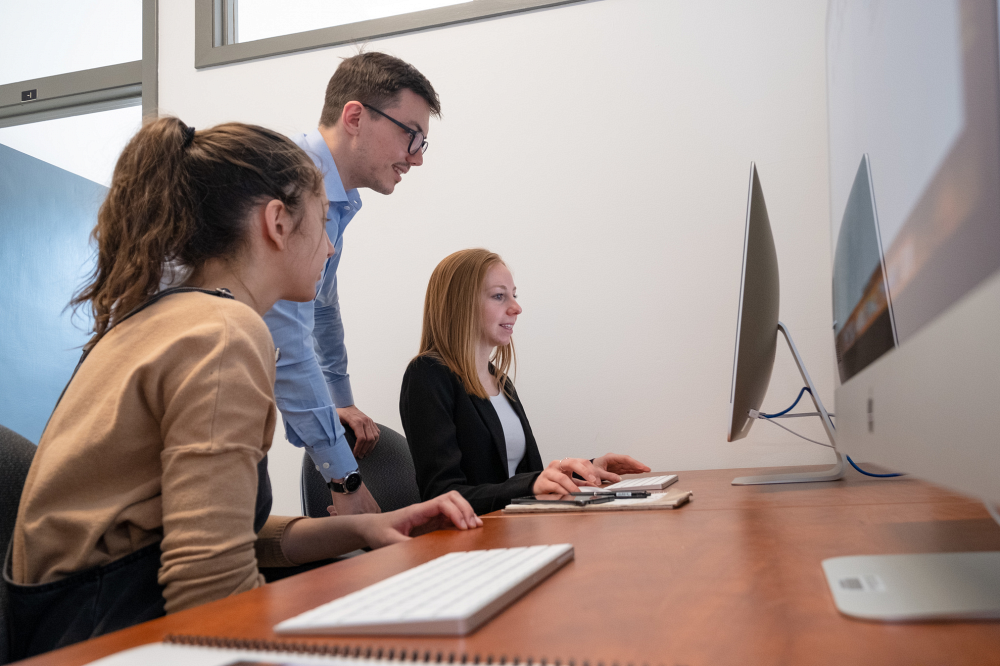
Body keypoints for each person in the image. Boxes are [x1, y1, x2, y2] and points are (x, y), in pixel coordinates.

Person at [4, 118, 481, 661]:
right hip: (110, 641)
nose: (329, 249)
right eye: (324, 223)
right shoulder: (225, 334)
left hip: (76, 630)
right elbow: (210, 589)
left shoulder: (164, 318)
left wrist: (364, 529)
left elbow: (208, 537)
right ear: (277, 222)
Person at [264, 52, 440, 516]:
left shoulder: (337, 199)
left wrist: (341, 408)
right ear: (356, 117)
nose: (417, 157)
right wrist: (345, 479)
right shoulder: (290, 182)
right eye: (411, 135)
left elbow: (321, 308)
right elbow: (290, 345)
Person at [399, 249, 651, 515]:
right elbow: (442, 495)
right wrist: (532, 485)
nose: (516, 308)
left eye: (514, 295)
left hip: (515, 528)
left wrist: (586, 469)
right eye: (499, 296)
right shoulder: (427, 374)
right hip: (474, 541)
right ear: (461, 304)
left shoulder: (500, 381)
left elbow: (525, 478)